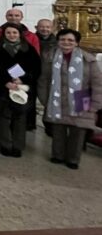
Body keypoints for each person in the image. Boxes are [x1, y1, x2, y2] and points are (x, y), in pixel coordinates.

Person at [38, 28, 102, 169]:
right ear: (58, 41)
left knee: (78, 131)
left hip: (81, 97)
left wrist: (96, 104)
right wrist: (44, 99)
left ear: (77, 43)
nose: (66, 43)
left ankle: (73, 159)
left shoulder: (88, 59)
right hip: (56, 97)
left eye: (70, 40)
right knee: (58, 130)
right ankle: (57, 155)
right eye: (62, 39)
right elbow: (43, 79)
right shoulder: (50, 57)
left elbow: (97, 83)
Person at [0, 23, 41, 158]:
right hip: (3, 88)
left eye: (14, 33)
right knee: (4, 117)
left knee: (20, 118)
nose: (12, 35)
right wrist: (6, 82)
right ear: (4, 34)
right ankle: (5, 144)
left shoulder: (29, 49)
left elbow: (36, 68)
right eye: (8, 33)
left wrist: (23, 80)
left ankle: (18, 146)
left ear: (19, 34)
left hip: (22, 88)